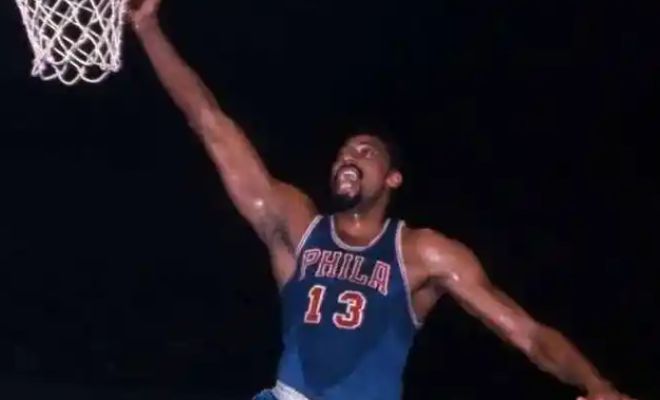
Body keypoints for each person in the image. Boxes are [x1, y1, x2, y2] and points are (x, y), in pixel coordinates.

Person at [128, 1, 635, 399]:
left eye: (365, 152)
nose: (348, 157)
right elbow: (211, 125)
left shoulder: (422, 253)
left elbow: (526, 333)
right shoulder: (297, 225)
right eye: (344, 152)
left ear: (392, 179)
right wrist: (149, 29)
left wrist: (598, 387)